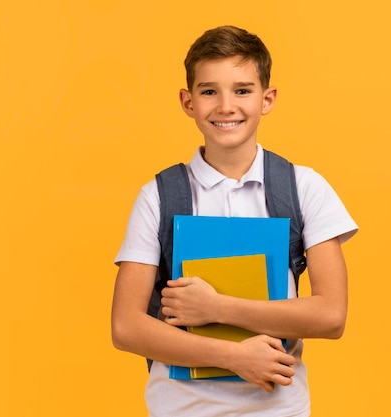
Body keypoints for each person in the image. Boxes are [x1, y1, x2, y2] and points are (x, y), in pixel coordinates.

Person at [111, 25, 358, 417]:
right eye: (209, 91)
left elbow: (331, 316)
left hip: (278, 410)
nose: (226, 106)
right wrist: (234, 356)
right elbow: (126, 327)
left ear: (267, 99)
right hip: (179, 409)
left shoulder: (303, 187)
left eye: (242, 90)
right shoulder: (158, 195)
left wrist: (216, 307)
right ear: (188, 101)